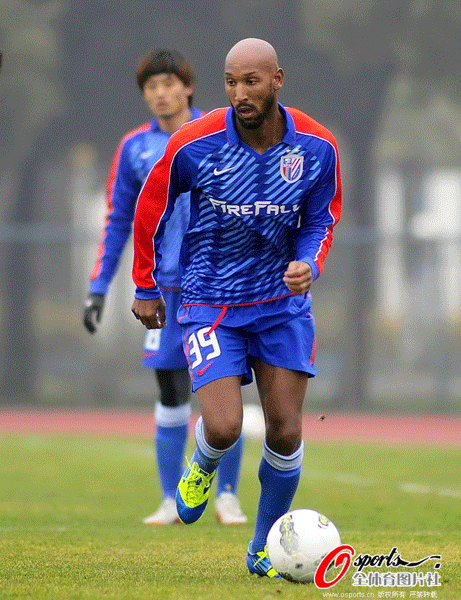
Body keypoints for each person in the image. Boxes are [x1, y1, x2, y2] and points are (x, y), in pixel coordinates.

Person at [131, 38, 341, 576]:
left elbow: (322, 218)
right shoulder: (195, 143)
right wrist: (146, 285)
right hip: (210, 302)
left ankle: (262, 550)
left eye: (251, 81)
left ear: (277, 79)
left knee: (286, 431)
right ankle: (201, 465)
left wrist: (309, 263)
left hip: (280, 306)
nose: (240, 93)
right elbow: (150, 206)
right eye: (230, 82)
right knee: (222, 427)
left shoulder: (315, 146)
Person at [83, 48, 247, 526]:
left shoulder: (221, 132)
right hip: (163, 289)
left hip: (218, 283)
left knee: (224, 391)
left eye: (168, 84)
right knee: (171, 391)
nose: (160, 93)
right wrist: (98, 287)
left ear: (188, 86)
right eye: (150, 87)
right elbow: (118, 221)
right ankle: (170, 499)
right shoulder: (134, 148)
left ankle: (227, 497)